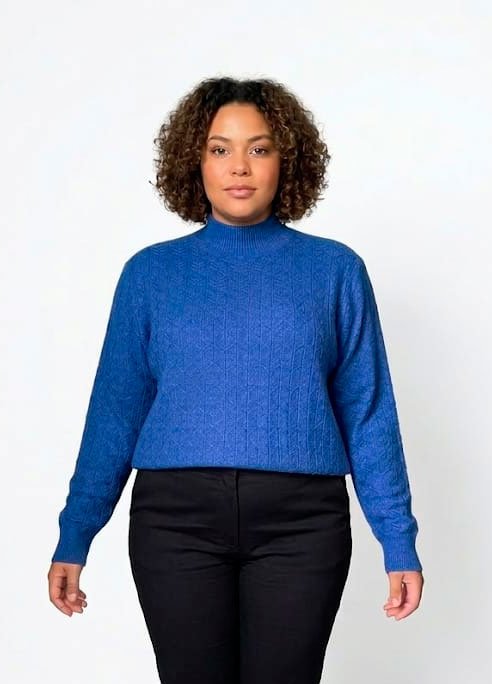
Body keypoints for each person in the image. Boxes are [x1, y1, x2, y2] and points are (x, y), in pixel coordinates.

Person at [48, 76, 424, 683]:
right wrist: (76, 533)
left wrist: (397, 539)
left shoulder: (335, 270)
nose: (239, 167)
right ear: (193, 160)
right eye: (219, 149)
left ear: (287, 160)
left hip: (302, 525)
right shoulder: (150, 275)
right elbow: (115, 412)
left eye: (260, 148)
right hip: (175, 523)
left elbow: (368, 413)